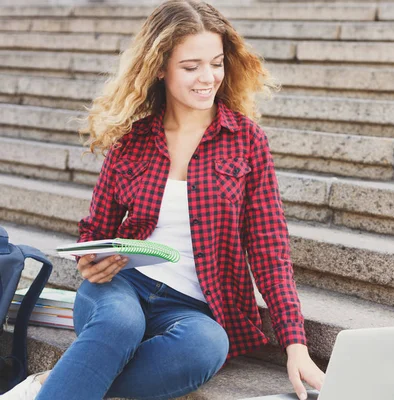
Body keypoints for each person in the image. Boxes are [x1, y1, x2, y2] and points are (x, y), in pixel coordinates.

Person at [1, 1, 324, 399]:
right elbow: (96, 231)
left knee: (207, 346)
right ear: (160, 67)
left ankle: (55, 383)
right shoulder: (131, 142)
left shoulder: (246, 140)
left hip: (193, 307)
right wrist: (94, 261)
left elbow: (269, 248)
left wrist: (296, 345)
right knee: (119, 325)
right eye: (191, 67)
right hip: (120, 288)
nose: (208, 78)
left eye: (217, 63)